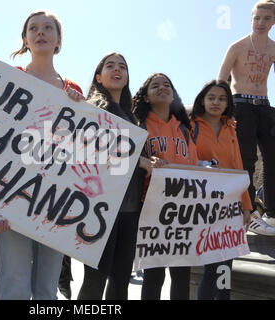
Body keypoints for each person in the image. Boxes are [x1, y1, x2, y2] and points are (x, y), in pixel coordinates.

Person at [0, 10, 84, 300]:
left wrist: (82, 110)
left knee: (47, 288)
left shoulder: (74, 91)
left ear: (58, 40)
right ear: (25, 39)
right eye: (33, 28)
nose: (40, 32)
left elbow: (82, 156)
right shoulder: (8, 80)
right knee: (14, 282)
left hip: (57, 202)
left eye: (47, 28)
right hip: (11, 196)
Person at [77, 52, 145, 300]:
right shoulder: (91, 109)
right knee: (95, 279)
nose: (117, 70)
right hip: (100, 207)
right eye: (110, 66)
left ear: (127, 78)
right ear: (99, 77)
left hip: (130, 209)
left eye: (123, 67)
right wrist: (141, 160)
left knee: (121, 281)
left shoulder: (133, 118)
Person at [132, 73, 199, 300]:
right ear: (147, 97)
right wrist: (146, 164)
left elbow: (194, 168)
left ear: (173, 95)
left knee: (181, 275)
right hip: (150, 207)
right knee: (154, 274)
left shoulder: (184, 129)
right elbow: (126, 159)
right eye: (155, 85)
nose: (162, 88)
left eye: (167, 85)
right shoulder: (138, 125)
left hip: (183, 210)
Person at [190, 80, 252, 300]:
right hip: (203, 206)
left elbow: (238, 167)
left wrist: (246, 206)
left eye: (222, 98)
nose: (216, 102)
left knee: (225, 268)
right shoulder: (191, 126)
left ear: (228, 103)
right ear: (202, 100)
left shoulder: (231, 128)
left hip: (230, 207)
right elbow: (186, 162)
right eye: (211, 98)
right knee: (212, 267)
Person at [218, 0, 275, 235]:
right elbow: (221, 80)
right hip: (240, 104)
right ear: (251, 18)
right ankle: (249, 213)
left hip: (264, 106)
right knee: (247, 160)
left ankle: (271, 212)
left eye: (266, 18)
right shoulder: (237, 46)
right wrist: (223, 110)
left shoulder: (273, 48)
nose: (260, 23)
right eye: (256, 18)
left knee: (273, 156)